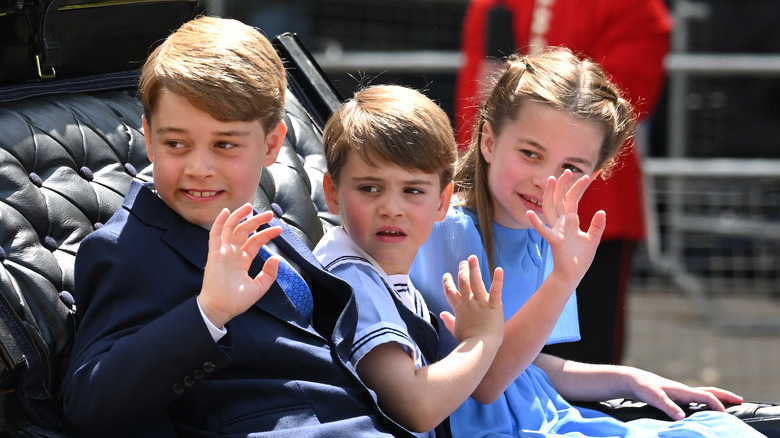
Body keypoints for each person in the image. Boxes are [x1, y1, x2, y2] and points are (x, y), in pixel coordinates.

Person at [61, 16, 416, 438]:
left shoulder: (275, 232)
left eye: (224, 144)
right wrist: (207, 312)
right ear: (150, 139)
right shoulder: (126, 249)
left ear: (271, 144)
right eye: (176, 144)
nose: (198, 168)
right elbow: (88, 400)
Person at [410, 47, 764, 437]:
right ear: (489, 142)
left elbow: (528, 368)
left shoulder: (545, 238)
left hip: (545, 416)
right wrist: (564, 278)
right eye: (530, 154)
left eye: (571, 168)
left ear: (594, 176)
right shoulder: (445, 231)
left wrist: (630, 379)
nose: (546, 180)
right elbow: (488, 383)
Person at [455, 0, 672, 364]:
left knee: (586, 352)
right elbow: (477, 98)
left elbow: (620, 104)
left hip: (587, 209)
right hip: (500, 200)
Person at [312, 84, 505, 437]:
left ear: (442, 201)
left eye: (412, 190)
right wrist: (483, 338)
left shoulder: (382, 273)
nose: (391, 208)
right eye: (369, 188)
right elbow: (418, 407)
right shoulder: (351, 281)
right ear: (333, 194)